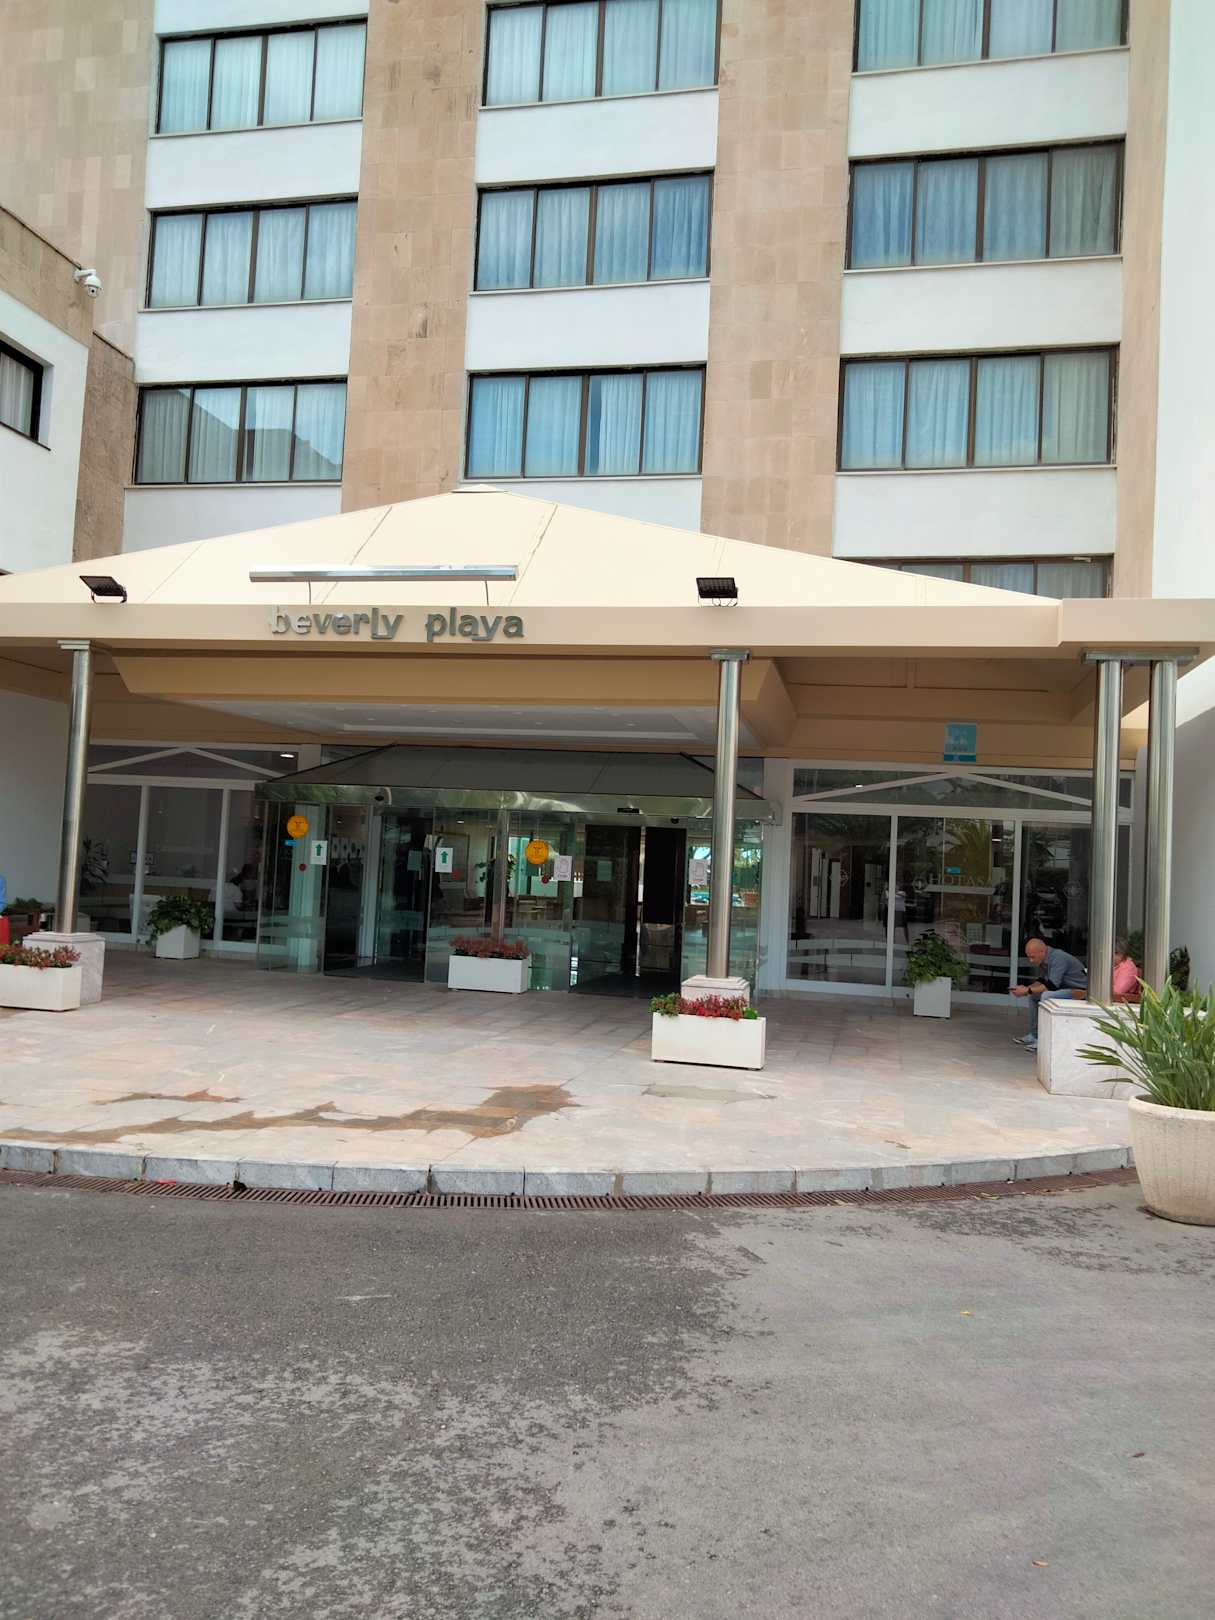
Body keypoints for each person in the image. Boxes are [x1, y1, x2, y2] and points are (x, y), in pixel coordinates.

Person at [1010, 937, 1088, 1051]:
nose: (1031, 960)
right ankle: (1033, 1035)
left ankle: (1043, 1040)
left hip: (1079, 991)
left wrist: (1027, 990)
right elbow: (1042, 980)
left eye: (1032, 957)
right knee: (1034, 996)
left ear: (1042, 951)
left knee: (1046, 996)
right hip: (1065, 988)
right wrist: (1027, 988)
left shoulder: (1058, 958)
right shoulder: (1045, 958)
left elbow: (1051, 986)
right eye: (1029, 957)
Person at [1112, 939, 1142, 1004]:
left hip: (1122, 1005)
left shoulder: (1129, 968)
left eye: (1116, 953)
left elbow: (1118, 991)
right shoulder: (1110, 965)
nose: (1112, 956)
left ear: (1124, 954)